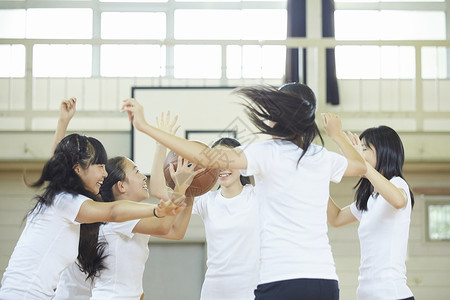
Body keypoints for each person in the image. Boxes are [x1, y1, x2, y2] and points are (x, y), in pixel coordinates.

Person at [121, 82, 368, 300]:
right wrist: (336, 135)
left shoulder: (266, 153)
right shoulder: (321, 156)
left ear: (277, 116)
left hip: (282, 279)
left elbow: (203, 156)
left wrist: (145, 127)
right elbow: (359, 166)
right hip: (325, 280)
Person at [0, 99, 185, 300]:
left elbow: (58, 163)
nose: (104, 173)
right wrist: (155, 211)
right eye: (99, 166)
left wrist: (63, 123)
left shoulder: (62, 198)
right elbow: (113, 212)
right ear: (78, 168)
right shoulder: (66, 202)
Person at [51, 109, 200, 300]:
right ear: (121, 186)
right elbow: (164, 226)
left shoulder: (133, 217)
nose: (142, 177)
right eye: (136, 171)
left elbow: (176, 231)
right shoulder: (118, 219)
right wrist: (180, 186)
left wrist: (190, 191)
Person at [151, 136, 260, 300]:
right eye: (216, 162)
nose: (222, 167)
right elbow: (158, 190)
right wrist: (161, 145)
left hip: (251, 289)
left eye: (227, 159)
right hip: (214, 290)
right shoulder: (205, 199)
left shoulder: (257, 196)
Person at [327, 126, 415, 300]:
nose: (360, 153)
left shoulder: (398, 184)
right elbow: (336, 218)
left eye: (364, 149)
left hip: (391, 294)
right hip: (366, 294)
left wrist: (362, 165)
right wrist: (317, 182)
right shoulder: (369, 198)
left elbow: (399, 201)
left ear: (383, 152)